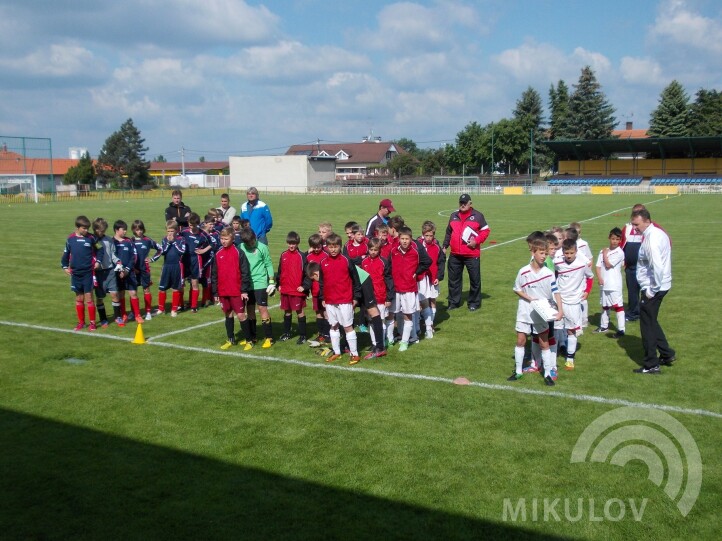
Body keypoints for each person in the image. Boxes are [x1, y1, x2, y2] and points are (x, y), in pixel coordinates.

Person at [510, 239, 563, 386]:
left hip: (542, 311)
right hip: (525, 310)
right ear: (533, 252)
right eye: (541, 253)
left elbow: (556, 292)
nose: (544, 256)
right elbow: (517, 289)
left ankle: (547, 374)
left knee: (543, 342)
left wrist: (560, 311)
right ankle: (518, 371)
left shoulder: (548, 273)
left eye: (546, 253)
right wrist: (529, 298)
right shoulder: (523, 271)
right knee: (521, 340)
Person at [631, 208, 675, 374]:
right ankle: (667, 354)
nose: (635, 228)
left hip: (654, 287)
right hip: (660, 285)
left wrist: (652, 290)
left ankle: (651, 364)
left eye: (637, 224)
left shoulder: (652, 239)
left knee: (647, 325)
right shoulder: (656, 233)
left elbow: (657, 266)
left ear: (646, 221)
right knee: (651, 320)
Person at [315, 233, 362, 364]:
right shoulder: (323, 262)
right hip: (330, 300)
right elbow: (322, 282)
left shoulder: (347, 260)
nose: (333, 249)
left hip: (345, 299)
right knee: (333, 326)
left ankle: (355, 354)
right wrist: (322, 297)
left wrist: (356, 297)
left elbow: (356, 280)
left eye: (336, 247)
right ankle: (336, 352)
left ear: (340, 247)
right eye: (330, 247)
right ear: (327, 247)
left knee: (347, 327)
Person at [443, 193, 490, 312]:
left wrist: (477, 241)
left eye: (465, 203)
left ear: (470, 203)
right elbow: (448, 232)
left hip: (471, 254)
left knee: (475, 280)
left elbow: (485, 231)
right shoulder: (453, 215)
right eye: (461, 203)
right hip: (455, 254)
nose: (463, 205)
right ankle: (454, 302)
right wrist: (444, 246)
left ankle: (474, 302)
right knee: (453, 280)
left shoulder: (478, 216)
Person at [389, 226, 431, 352]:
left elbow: (427, 261)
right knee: (391, 315)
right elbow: (389, 267)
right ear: (399, 239)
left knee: (408, 315)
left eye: (407, 239)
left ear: (411, 239)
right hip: (395, 288)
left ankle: (404, 342)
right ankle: (390, 339)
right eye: (402, 238)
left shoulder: (415, 251)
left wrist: (416, 273)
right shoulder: (393, 251)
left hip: (409, 288)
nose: (404, 241)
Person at [554, 239, 593, 371]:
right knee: (556, 329)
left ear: (576, 251)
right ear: (563, 252)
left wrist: (587, 291)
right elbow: (552, 273)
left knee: (572, 330)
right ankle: (553, 356)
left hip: (573, 302)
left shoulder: (582, 264)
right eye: (567, 253)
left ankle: (570, 359)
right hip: (559, 301)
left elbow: (590, 277)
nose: (569, 255)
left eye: (571, 253)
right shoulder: (558, 263)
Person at [211, 227, 252, 350]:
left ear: (232, 238)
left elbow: (245, 272)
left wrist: (244, 290)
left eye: (226, 239)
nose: (223, 241)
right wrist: (215, 292)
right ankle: (230, 339)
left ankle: (249, 340)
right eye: (222, 238)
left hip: (236, 291)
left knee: (241, 315)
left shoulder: (239, 252)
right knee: (227, 315)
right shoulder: (218, 254)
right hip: (223, 291)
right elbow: (214, 274)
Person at [61, 215, 99, 331]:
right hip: (76, 273)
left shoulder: (91, 238)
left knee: (89, 298)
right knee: (79, 298)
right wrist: (64, 266)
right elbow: (66, 254)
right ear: (77, 227)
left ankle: (92, 323)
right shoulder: (70, 239)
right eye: (84, 228)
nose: (86, 231)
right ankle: (81, 322)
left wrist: (98, 261)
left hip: (88, 272)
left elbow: (100, 250)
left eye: (87, 228)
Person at [239, 228, 276, 348]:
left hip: (260, 283)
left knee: (262, 309)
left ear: (255, 237)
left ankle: (269, 338)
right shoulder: (240, 247)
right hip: (247, 284)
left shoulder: (262, 247)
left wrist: (271, 282)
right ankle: (253, 337)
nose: (251, 244)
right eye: (248, 243)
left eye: (252, 241)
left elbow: (268, 264)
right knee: (250, 310)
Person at [360, 238, 394, 359]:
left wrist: (389, 297)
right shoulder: (364, 262)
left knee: (381, 321)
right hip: (369, 296)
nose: (373, 252)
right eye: (371, 249)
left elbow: (389, 280)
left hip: (381, 296)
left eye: (375, 250)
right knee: (370, 321)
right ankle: (374, 344)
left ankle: (382, 344)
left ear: (379, 250)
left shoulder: (384, 262)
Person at [277, 231, 311, 345]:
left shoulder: (302, 256)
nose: (291, 246)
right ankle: (287, 333)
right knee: (287, 312)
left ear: (297, 243)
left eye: (294, 243)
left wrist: (305, 286)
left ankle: (303, 335)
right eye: (289, 243)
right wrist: (279, 284)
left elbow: (307, 274)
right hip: (285, 289)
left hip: (297, 290)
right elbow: (280, 271)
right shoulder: (283, 255)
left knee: (299, 311)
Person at [594, 228, 626, 337]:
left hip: (614, 284)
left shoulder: (619, 252)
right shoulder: (603, 251)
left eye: (617, 239)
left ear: (620, 240)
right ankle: (604, 326)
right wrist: (599, 278)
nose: (615, 241)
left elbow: (607, 264)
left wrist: (604, 254)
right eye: (613, 239)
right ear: (609, 238)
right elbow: (598, 266)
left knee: (618, 306)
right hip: (604, 284)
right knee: (604, 305)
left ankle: (621, 329)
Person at [152, 221, 186, 316]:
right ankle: (161, 308)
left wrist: (174, 242)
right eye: (168, 231)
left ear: (176, 230)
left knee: (175, 288)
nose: (170, 233)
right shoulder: (164, 239)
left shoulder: (181, 239)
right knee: (162, 288)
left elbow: (182, 251)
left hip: (177, 266)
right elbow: (162, 251)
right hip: (166, 265)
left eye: (172, 231)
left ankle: (174, 309)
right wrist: (168, 242)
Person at [418, 220, 445, 338]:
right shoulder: (418, 245)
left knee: (432, 300)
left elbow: (441, 262)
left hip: (433, 278)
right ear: (422, 234)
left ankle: (431, 323)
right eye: (426, 235)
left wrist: (439, 276)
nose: (428, 238)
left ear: (434, 235)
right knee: (421, 301)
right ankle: (421, 323)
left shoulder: (437, 247)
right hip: (422, 278)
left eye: (431, 235)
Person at [92, 217, 121, 327]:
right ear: (95, 229)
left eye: (103, 230)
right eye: (100, 230)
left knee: (114, 294)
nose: (101, 232)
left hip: (110, 271)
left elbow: (112, 253)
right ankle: (103, 319)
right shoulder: (91, 240)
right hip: (98, 273)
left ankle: (117, 317)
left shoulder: (109, 240)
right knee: (100, 297)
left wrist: (117, 261)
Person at [620, 203, 646, 321]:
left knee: (646, 291)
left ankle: (646, 313)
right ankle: (633, 313)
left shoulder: (651, 228)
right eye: (635, 213)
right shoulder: (627, 228)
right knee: (632, 291)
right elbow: (620, 244)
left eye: (639, 212)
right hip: (630, 267)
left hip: (645, 267)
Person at [131, 219, 161, 321]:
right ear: (133, 230)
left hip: (144, 269)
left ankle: (148, 312)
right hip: (133, 269)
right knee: (133, 291)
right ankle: (134, 312)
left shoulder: (148, 240)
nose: (139, 232)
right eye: (136, 230)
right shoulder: (131, 241)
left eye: (140, 229)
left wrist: (152, 259)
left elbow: (160, 249)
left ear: (143, 230)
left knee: (146, 289)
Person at [113, 220, 142, 325]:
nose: (125, 231)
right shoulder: (112, 242)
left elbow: (133, 257)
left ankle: (137, 315)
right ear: (117, 230)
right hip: (117, 273)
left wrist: (127, 270)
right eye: (123, 229)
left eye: (126, 229)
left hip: (129, 272)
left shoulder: (129, 241)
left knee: (133, 293)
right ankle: (124, 314)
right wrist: (119, 270)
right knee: (120, 294)